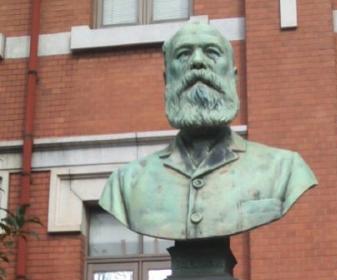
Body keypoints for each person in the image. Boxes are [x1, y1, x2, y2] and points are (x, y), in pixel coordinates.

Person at [100, 21, 317, 241]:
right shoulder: (126, 184)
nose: (197, 62)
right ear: (167, 80)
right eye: (183, 54)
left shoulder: (284, 169)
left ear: (233, 77)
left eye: (212, 52)